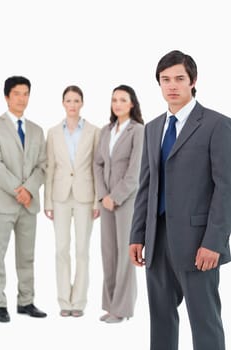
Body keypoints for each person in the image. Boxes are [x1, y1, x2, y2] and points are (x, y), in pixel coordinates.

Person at [129, 50, 231, 350]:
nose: (172, 85)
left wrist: (214, 241)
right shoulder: (152, 128)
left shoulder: (217, 125)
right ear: (159, 84)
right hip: (157, 240)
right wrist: (137, 235)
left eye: (179, 79)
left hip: (198, 243)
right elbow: (145, 186)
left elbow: (226, 189)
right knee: (160, 321)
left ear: (193, 81)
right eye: (165, 80)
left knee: (205, 322)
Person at [44, 85, 100, 317]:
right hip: (60, 196)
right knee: (61, 250)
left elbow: (97, 168)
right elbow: (50, 168)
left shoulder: (94, 131)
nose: (72, 105)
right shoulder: (54, 132)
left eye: (76, 100)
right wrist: (47, 201)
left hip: (86, 196)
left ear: (82, 103)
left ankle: (78, 302)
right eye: (69, 100)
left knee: (82, 250)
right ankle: (63, 302)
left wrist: (97, 201)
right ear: (63, 103)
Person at [0, 76, 47, 323]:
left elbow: (43, 165)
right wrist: (18, 189)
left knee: (27, 256)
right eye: (17, 93)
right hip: (3, 204)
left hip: (29, 205)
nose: (22, 98)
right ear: (7, 97)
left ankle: (26, 301)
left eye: (26, 93)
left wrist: (28, 190)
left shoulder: (37, 130)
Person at [94, 84, 144, 323]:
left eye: (123, 99)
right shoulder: (106, 130)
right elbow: (98, 164)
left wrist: (116, 196)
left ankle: (122, 310)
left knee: (125, 255)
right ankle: (110, 304)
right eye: (114, 99)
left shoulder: (138, 131)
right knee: (108, 253)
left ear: (132, 103)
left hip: (126, 202)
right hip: (106, 202)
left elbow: (135, 171)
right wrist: (104, 195)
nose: (118, 104)